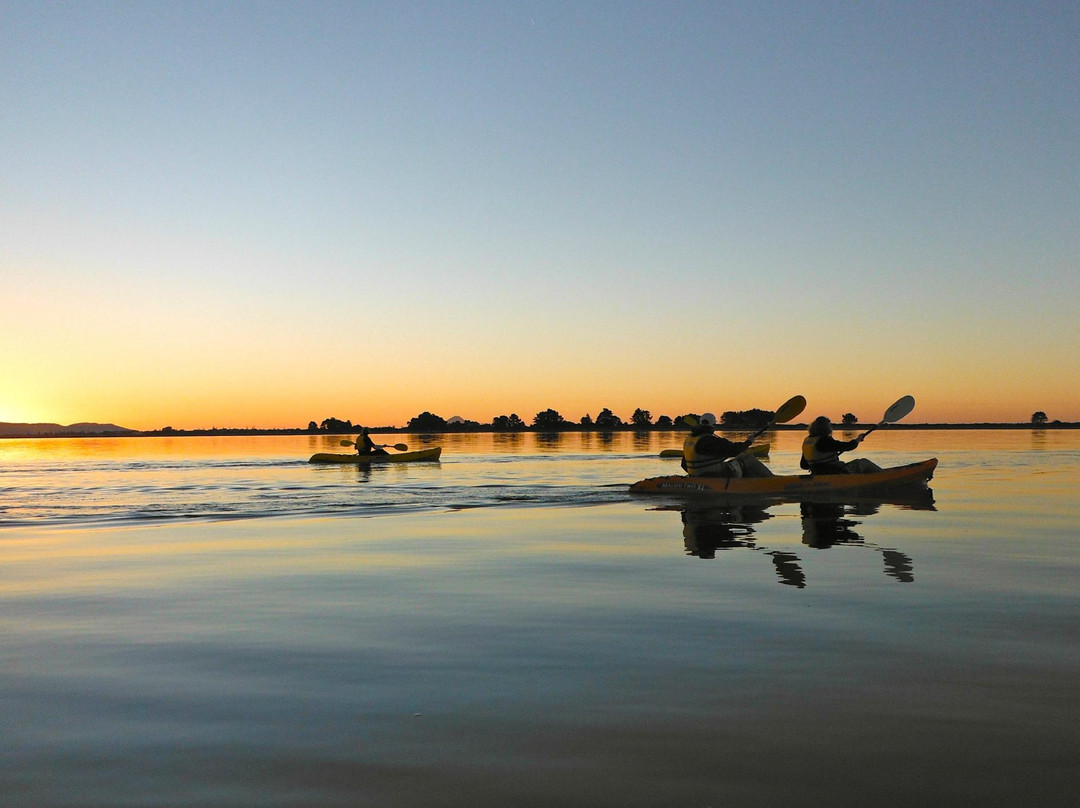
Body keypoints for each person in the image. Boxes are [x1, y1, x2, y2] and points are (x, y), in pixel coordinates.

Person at [681, 413, 773, 478]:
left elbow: (684, 465)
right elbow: (735, 449)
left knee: (739, 457)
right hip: (711, 475)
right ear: (713, 425)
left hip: (695, 475)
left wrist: (696, 474)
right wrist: (749, 442)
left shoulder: (689, 439)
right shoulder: (710, 439)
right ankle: (771, 479)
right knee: (748, 459)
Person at [800, 416, 882, 474]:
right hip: (834, 473)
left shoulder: (808, 441)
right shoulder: (824, 440)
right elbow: (850, 446)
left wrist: (819, 462)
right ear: (826, 428)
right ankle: (882, 475)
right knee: (863, 462)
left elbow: (804, 465)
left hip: (817, 474)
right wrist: (858, 439)